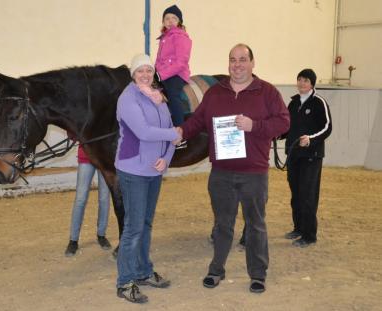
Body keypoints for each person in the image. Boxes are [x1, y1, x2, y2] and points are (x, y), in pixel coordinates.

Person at [179, 44, 290, 293]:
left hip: (254, 173)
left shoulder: (268, 92)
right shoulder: (215, 93)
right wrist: (179, 132)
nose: (237, 64)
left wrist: (255, 126)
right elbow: (197, 121)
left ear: (252, 63)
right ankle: (216, 269)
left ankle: (258, 274)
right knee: (222, 224)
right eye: (232, 60)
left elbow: (284, 122)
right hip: (221, 174)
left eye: (242, 59)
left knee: (256, 225)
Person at [115, 54, 181, 304]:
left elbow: (170, 129)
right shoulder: (128, 98)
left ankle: (143, 272)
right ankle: (125, 281)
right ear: (133, 74)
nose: (145, 74)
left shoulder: (157, 96)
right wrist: (172, 135)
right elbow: (144, 131)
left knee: (146, 224)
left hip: (155, 170)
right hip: (133, 170)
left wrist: (167, 157)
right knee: (133, 228)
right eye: (140, 71)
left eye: (148, 71)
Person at [282, 68, 332, 248]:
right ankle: (298, 228)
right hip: (294, 155)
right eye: (299, 80)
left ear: (312, 83)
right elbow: (286, 126)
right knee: (296, 193)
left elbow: (327, 127)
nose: (301, 83)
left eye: (305, 80)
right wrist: (277, 134)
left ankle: (309, 235)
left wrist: (311, 139)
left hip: (311, 156)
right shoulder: (293, 103)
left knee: (308, 194)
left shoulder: (319, 103)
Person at [155, 4, 192, 148]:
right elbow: (159, 61)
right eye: (167, 18)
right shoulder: (164, 38)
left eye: (174, 18)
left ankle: (179, 134)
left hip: (177, 74)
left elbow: (181, 62)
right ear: (163, 22)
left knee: (172, 94)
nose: (170, 21)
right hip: (163, 74)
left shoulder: (180, 36)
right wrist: (154, 74)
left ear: (179, 22)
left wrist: (161, 74)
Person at [64, 145, 111, 256]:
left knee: (104, 198)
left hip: (105, 157)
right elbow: (72, 131)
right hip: (86, 155)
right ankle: (73, 240)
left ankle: (101, 235)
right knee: (80, 199)